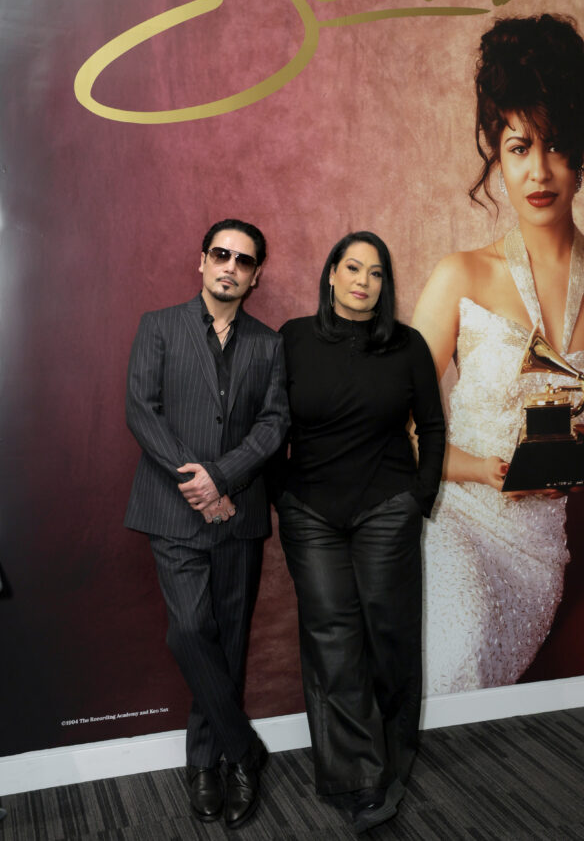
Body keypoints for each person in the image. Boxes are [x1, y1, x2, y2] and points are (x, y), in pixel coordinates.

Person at [412, 15, 584, 694]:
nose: (539, 171)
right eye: (519, 147)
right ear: (497, 153)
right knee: (456, 648)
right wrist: (485, 473)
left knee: (469, 656)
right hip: (449, 520)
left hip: (536, 555)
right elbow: (392, 430)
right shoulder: (458, 277)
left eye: (557, 145)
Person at [275, 232, 445, 834]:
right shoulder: (293, 338)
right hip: (311, 513)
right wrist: (280, 494)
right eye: (352, 268)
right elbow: (270, 422)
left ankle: (392, 757)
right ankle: (358, 778)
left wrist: (418, 498)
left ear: (384, 285)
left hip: (386, 508)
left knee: (389, 635)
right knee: (333, 641)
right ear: (331, 274)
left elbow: (432, 426)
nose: (363, 282)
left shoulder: (407, 345)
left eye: (375, 273)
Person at [125, 218, 289, 829]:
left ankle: (206, 763)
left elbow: (273, 425)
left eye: (244, 261)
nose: (230, 267)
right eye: (221, 254)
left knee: (230, 643)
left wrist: (222, 478)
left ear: (255, 276)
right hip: (173, 513)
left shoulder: (269, 344)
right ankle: (244, 749)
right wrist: (194, 481)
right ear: (202, 261)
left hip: (238, 515)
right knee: (192, 630)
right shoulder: (159, 326)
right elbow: (141, 410)